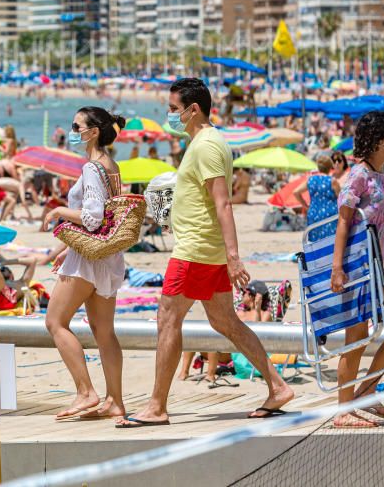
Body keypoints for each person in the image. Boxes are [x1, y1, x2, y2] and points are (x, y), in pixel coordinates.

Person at [120, 79, 294, 427]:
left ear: (192, 109)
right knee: (224, 321)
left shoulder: (208, 146)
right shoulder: (202, 143)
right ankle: (277, 386)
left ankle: (156, 406)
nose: (170, 115)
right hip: (202, 247)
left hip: (196, 250)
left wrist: (234, 256)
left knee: (168, 318)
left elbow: (223, 203)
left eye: (173, 109)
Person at [41, 107, 129, 422]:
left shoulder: (92, 168)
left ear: (93, 132)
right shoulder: (111, 164)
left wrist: (59, 212)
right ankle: (115, 401)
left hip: (89, 259)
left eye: (77, 126)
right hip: (108, 256)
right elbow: (107, 216)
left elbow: (92, 218)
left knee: (55, 322)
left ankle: (85, 391)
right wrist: (68, 248)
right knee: (105, 331)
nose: (73, 131)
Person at [330, 110, 384, 427]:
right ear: (379, 141)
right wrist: (337, 268)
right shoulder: (358, 175)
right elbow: (343, 221)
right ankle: (343, 410)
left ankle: (365, 393)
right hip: (355, 265)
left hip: (376, 266)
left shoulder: (380, 176)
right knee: (357, 337)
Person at [294, 155, 340, 241]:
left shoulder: (311, 180)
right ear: (330, 167)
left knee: (315, 242)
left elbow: (296, 192)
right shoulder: (332, 181)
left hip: (314, 213)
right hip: (330, 215)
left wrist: (305, 206)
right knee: (330, 241)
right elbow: (341, 199)